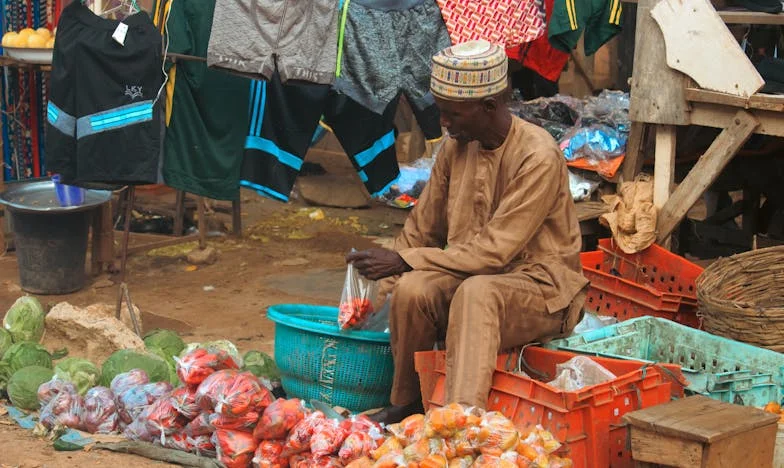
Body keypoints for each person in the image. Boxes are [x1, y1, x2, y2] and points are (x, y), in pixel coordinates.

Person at [346, 40, 589, 424]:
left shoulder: (537, 155)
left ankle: (460, 424)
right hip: (472, 279)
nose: (443, 122)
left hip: (542, 290)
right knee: (414, 290)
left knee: (477, 292)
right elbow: (421, 230)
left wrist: (404, 260)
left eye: (451, 113)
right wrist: (383, 286)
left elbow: (493, 253)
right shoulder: (454, 148)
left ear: (489, 107)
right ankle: (408, 403)